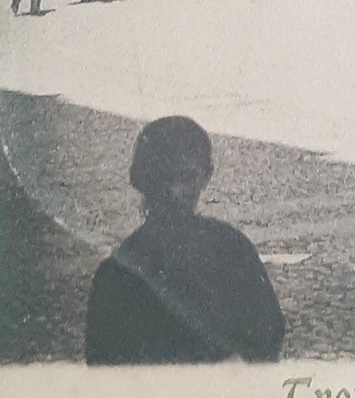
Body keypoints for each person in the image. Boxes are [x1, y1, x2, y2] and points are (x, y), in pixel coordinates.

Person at [85, 116, 286, 365]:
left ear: (135, 177)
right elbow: (267, 339)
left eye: (186, 177)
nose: (174, 190)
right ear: (207, 176)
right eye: (163, 177)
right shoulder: (233, 249)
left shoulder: (115, 272)